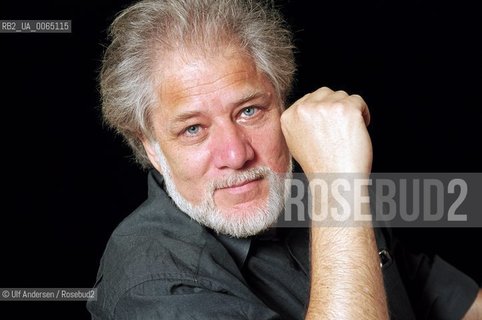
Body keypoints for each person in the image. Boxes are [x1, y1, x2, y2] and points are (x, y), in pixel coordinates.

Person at [87, 0, 481, 318]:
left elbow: (444, 298)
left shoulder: (308, 190)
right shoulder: (152, 283)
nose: (236, 155)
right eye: (193, 129)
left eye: (249, 111)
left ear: (283, 106)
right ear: (152, 148)